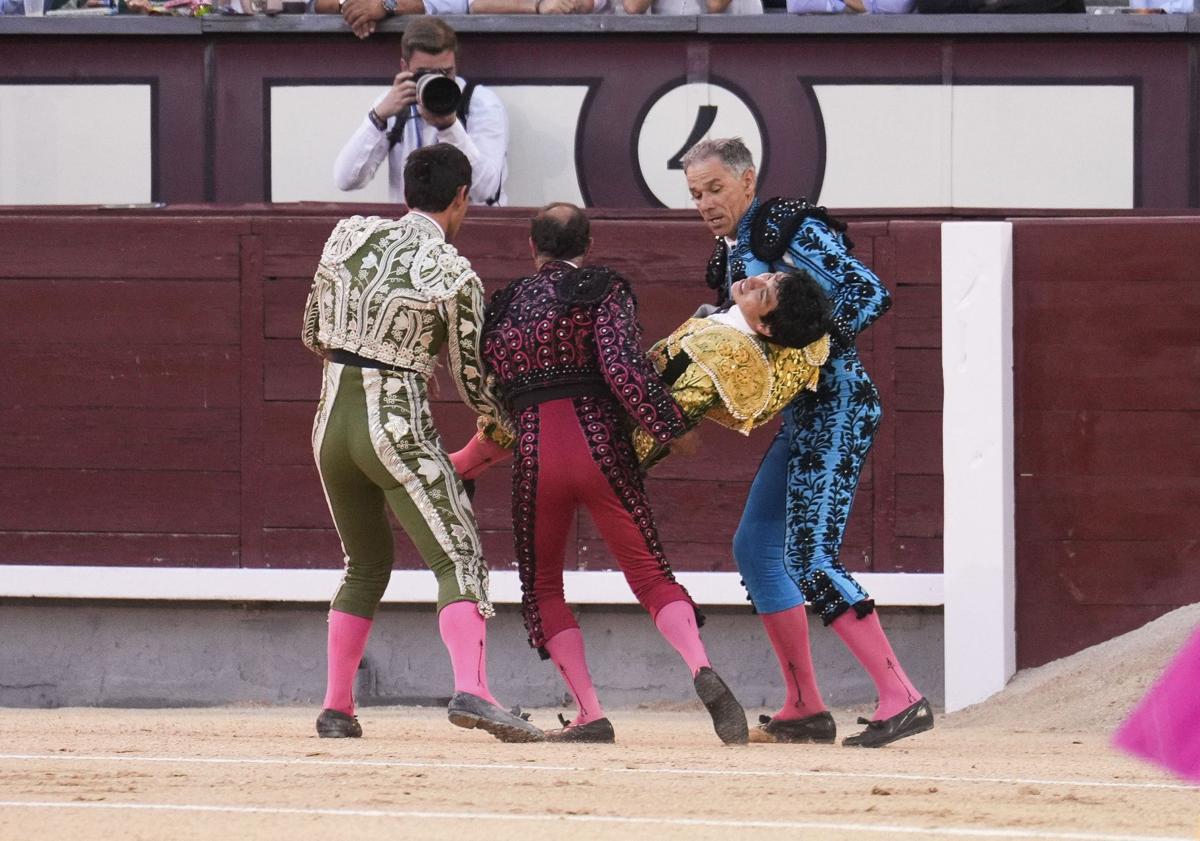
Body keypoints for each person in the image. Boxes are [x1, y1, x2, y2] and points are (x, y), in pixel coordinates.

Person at [450, 203, 749, 746]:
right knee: (651, 575)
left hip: (536, 455)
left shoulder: (506, 304)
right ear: (587, 245)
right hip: (601, 448)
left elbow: (494, 395)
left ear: (530, 247)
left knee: (543, 588)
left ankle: (590, 712)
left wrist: (467, 462)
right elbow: (619, 366)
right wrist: (667, 423)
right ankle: (700, 666)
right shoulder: (602, 288)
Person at [681, 137, 933, 748]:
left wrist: (799, 339)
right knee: (756, 548)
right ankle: (805, 705)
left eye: (715, 189)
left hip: (838, 402)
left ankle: (904, 697)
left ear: (748, 181)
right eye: (695, 195)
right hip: (804, 414)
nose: (706, 204)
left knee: (810, 557)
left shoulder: (783, 228)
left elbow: (869, 292)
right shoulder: (736, 253)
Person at [301, 143, 541, 743]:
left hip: (331, 422)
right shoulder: (454, 273)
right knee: (457, 558)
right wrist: (506, 425)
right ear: (463, 198)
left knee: (365, 563)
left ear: (405, 190)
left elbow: (312, 333)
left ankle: (337, 707)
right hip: (395, 426)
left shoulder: (345, 236)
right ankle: (475, 690)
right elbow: (472, 379)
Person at [631, 270, 833, 470]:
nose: (754, 279)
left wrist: (622, 469)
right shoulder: (792, 332)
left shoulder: (722, 360)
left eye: (763, 294)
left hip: (623, 413)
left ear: (765, 327)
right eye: (770, 275)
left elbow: (665, 423)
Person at [332, 19, 508, 206]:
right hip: (412, 227)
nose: (436, 81)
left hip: (470, 225)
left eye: (445, 73)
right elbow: (345, 180)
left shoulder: (480, 104)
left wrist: (449, 127)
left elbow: (486, 191)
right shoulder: (395, 103)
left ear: (455, 65)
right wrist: (378, 117)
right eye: (425, 74)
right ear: (404, 68)